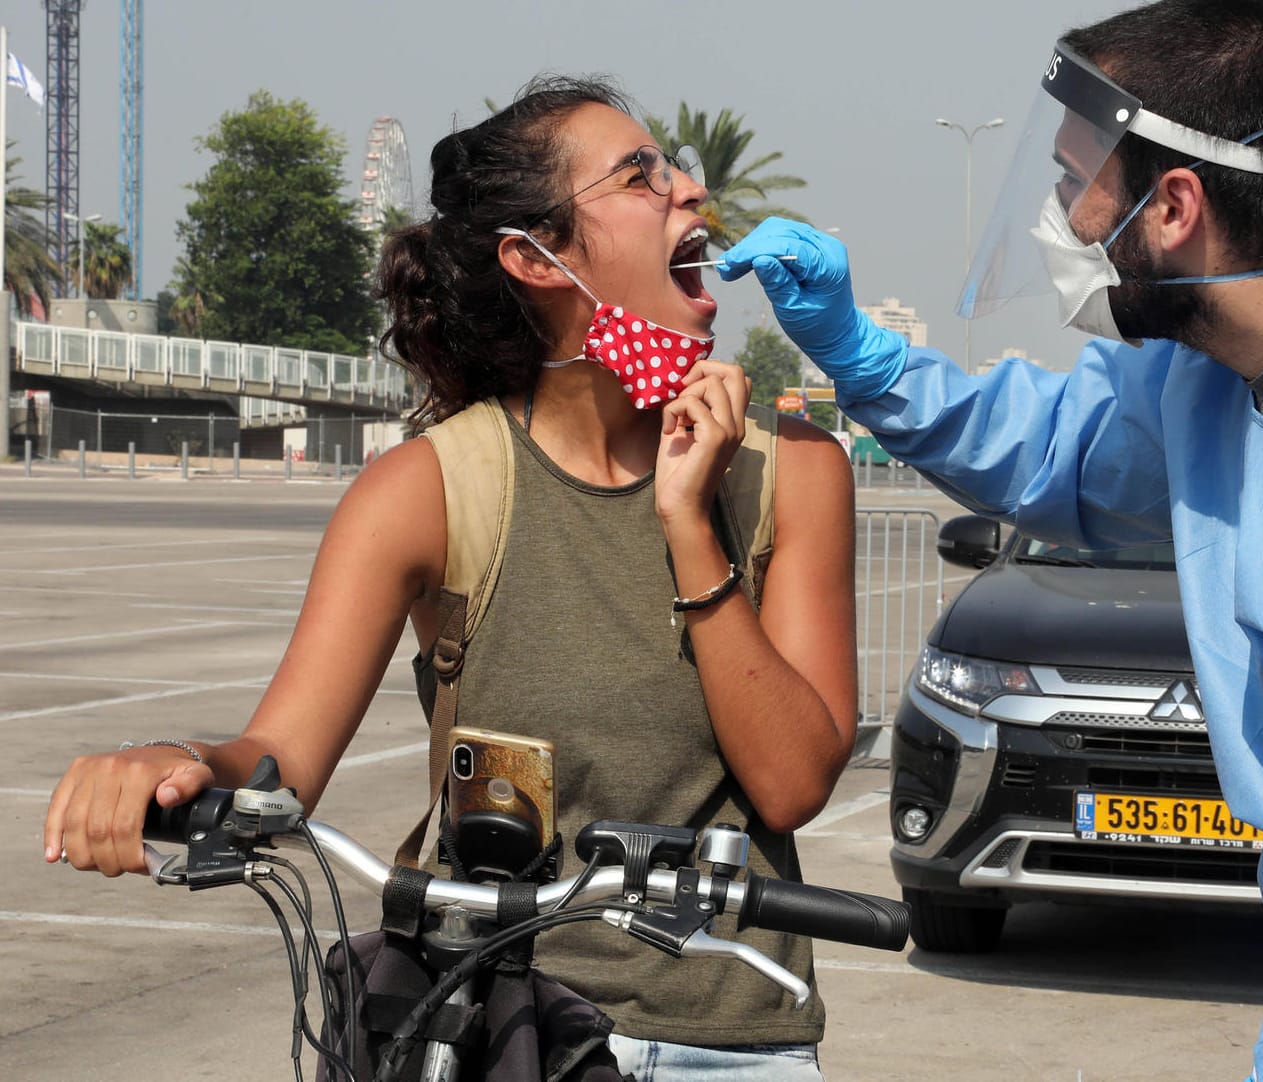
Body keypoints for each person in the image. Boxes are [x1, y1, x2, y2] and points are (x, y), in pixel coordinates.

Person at [721, 2, 1263, 1079]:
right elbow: (1062, 450)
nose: (1058, 221)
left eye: (1071, 187)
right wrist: (865, 357)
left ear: (1174, 206)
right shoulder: (1239, 375)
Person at [43, 75, 859, 1080]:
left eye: (675, 172)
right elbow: (280, 759)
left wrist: (690, 523)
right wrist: (175, 761)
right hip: (493, 1026)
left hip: (730, 1042)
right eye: (642, 176)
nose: (688, 191)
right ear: (535, 257)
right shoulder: (427, 489)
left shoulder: (795, 471)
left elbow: (793, 780)